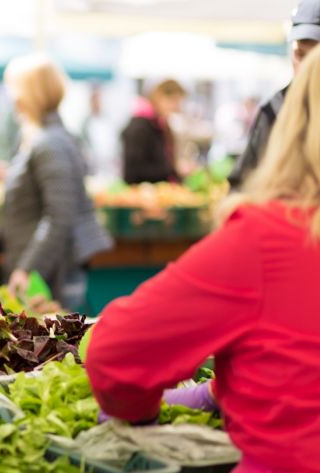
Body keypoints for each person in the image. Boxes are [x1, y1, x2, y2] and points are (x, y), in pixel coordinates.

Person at [85, 46, 320, 473]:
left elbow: (115, 354)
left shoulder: (267, 239)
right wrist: (220, 391)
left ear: (294, 124)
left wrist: (139, 411)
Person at [0, 54, 112, 310]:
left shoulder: (49, 144)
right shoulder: (43, 138)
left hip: (52, 276)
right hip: (46, 271)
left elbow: (59, 217)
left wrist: (27, 268)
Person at [228, 0, 320, 189]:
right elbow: (242, 183)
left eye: (314, 58)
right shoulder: (274, 109)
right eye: (300, 54)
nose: (305, 67)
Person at [121, 79, 186, 184]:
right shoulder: (140, 127)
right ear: (159, 97)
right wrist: (171, 169)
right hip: (142, 195)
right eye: (174, 101)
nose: (176, 108)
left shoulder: (160, 124)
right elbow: (133, 172)